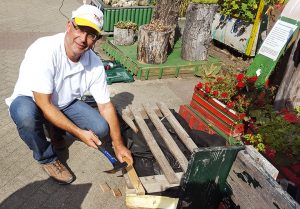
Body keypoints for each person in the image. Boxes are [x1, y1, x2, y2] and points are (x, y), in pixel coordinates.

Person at [5, 4, 133, 184]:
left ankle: (55, 127)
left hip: (65, 103)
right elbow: (45, 104)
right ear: (68, 25)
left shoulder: (95, 64)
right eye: (80, 29)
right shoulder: (44, 50)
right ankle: (47, 158)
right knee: (24, 116)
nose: (83, 39)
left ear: (95, 39)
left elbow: (105, 106)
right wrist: (79, 132)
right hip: (33, 100)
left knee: (101, 128)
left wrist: (119, 145)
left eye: (91, 35)